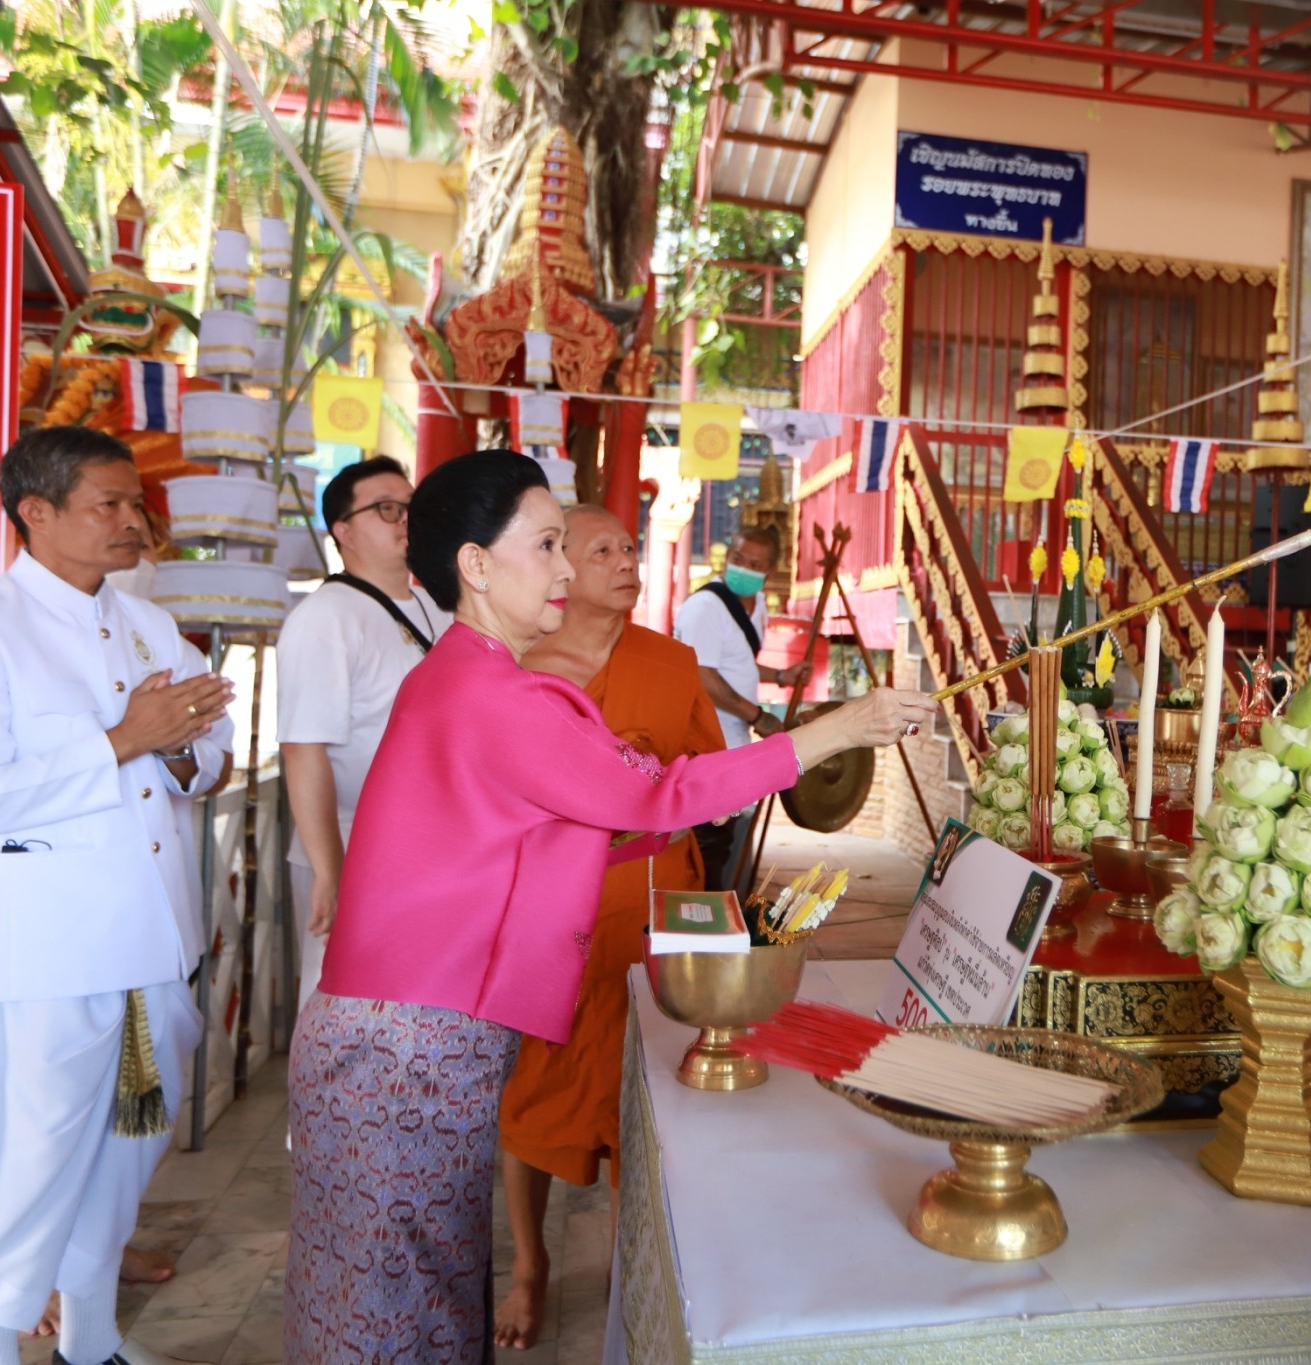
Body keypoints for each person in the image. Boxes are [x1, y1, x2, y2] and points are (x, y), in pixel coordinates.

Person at [283, 451, 932, 1362]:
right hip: (405, 1050)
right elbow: (659, 794)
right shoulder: (491, 692)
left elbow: (566, 827)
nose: (564, 568)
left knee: (400, 1294)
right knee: (395, 1314)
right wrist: (837, 729)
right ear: (475, 565)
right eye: (547, 545)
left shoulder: (466, 675)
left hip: (400, 1041)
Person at [0, 426, 235, 1365]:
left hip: (150, 948)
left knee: (120, 1159)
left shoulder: (146, 622)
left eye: (137, 504)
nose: (135, 522)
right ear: (36, 513)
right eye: (110, 505)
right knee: (10, 1170)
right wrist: (122, 738)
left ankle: (92, 1340)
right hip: (35, 959)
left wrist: (178, 745)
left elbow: (203, 762)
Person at [493, 504, 725, 1349]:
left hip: (659, 904)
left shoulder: (671, 662)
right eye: (603, 551)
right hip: (557, 912)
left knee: (654, 1093)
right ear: (560, 566)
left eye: (631, 548)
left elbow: (700, 778)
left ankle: (642, 1263)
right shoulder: (520, 669)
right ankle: (529, 1267)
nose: (626, 562)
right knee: (532, 1094)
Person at [277, 455, 448, 1008]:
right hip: (352, 843)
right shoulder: (325, 618)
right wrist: (330, 867)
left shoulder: (434, 606)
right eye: (386, 509)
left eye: (411, 508)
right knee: (343, 1003)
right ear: (343, 531)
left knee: (413, 1006)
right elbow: (304, 750)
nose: (405, 520)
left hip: (425, 843)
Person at [673, 524, 807, 889]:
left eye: (754, 563)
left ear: (770, 572)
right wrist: (758, 716)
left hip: (736, 743)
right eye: (737, 558)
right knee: (710, 853)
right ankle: (707, 931)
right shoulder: (705, 607)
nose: (742, 568)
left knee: (732, 846)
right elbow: (704, 676)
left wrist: (781, 676)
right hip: (706, 743)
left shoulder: (758, 604)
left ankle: (729, 923)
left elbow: (739, 663)